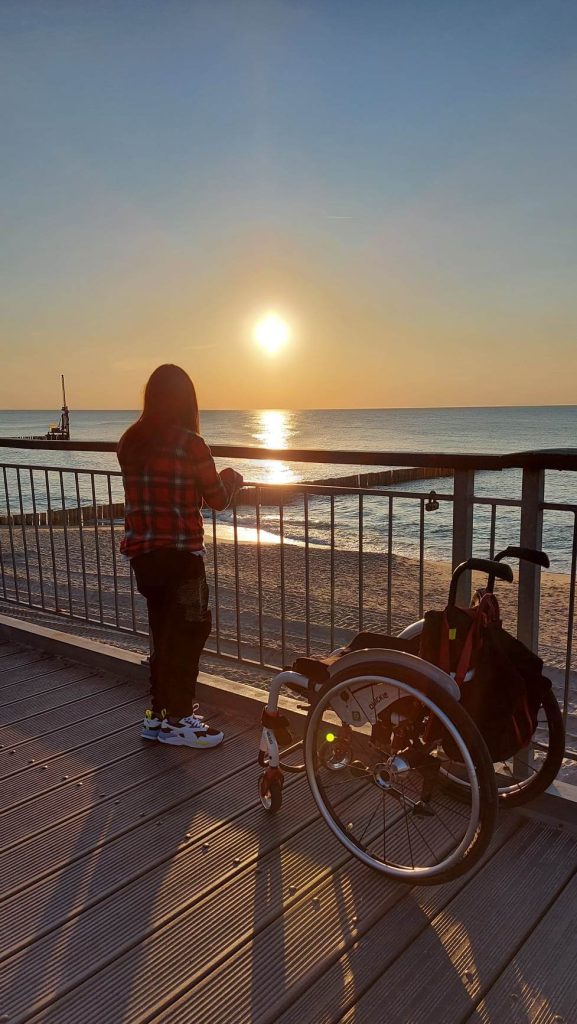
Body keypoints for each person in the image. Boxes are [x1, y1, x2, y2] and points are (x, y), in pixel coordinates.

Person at [117, 364, 243, 748]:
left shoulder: (130, 441)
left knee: (162, 633)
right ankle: (180, 719)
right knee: (189, 633)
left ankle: (156, 716)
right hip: (182, 555)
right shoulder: (191, 443)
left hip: (144, 554)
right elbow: (218, 499)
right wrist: (232, 479)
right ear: (187, 400)